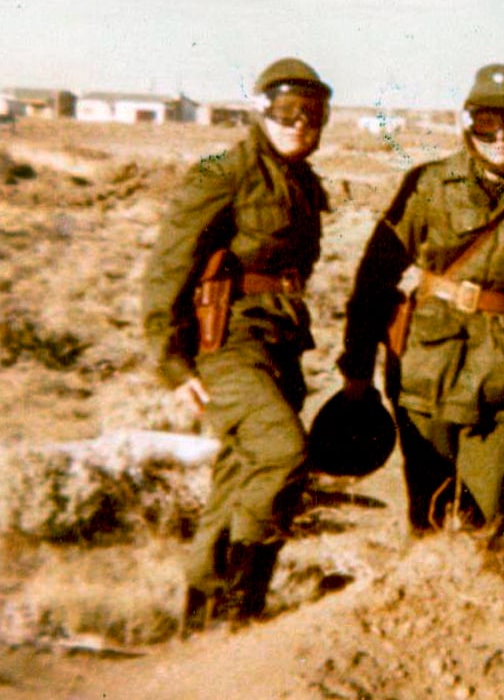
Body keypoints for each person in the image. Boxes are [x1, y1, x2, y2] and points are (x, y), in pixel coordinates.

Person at [338, 63, 504, 542]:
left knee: (486, 513)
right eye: (487, 123)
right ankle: (429, 582)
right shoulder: (428, 184)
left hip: (501, 373)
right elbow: (375, 275)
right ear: (469, 124)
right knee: (427, 508)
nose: (500, 136)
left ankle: (478, 580)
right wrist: (357, 366)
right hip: (427, 364)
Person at [141, 57, 333, 632]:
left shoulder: (302, 181)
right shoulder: (222, 170)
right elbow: (169, 263)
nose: (299, 124)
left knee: (239, 475)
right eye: (286, 111)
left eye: (312, 113)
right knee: (282, 452)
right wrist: (172, 362)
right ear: (262, 111)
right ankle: (242, 601)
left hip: (278, 341)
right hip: (224, 341)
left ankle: (203, 612)